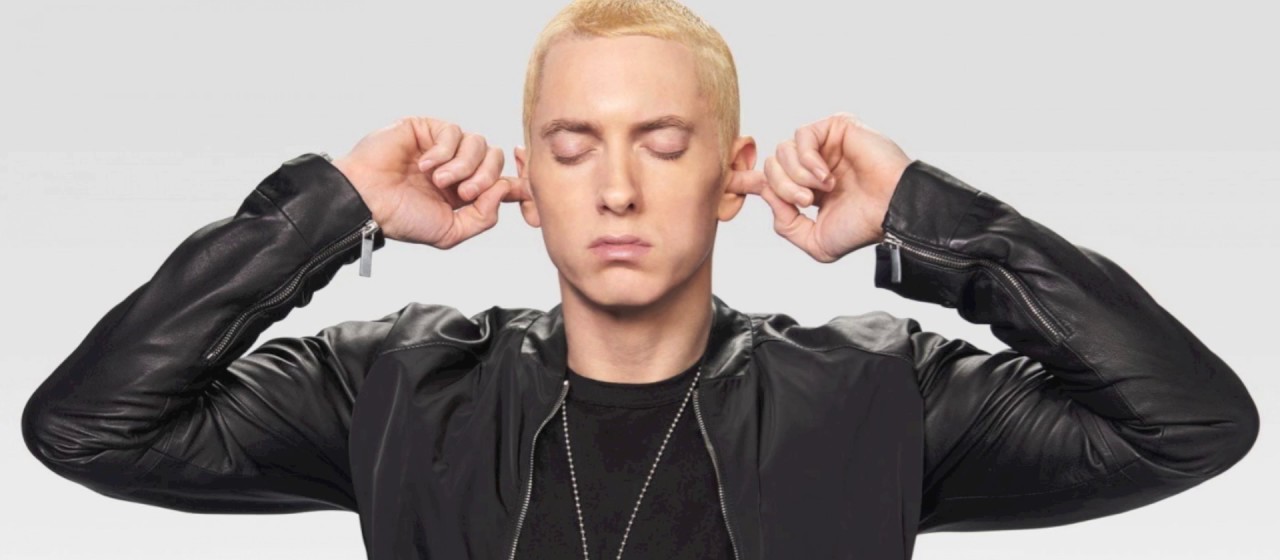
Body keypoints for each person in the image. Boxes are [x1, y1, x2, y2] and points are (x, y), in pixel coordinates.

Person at [20, 0, 1259, 559]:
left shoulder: (877, 393)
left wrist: (928, 223)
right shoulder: (393, 383)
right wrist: (329, 211)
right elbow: (88, 425)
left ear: (730, 177)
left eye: (662, 145)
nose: (615, 188)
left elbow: (1189, 422)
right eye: (572, 148)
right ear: (527, 181)